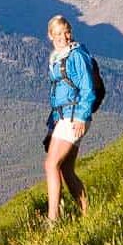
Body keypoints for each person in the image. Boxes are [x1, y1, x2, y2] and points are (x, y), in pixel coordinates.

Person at [44, 14, 94, 223]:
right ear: (50, 36)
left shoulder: (76, 56)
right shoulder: (57, 57)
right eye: (57, 33)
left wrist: (81, 117)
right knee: (65, 169)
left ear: (70, 32)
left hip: (74, 117)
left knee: (50, 165)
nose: (62, 37)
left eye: (65, 32)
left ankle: (53, 219)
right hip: (62, 117)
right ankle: (88, 214)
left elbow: (87, 87)